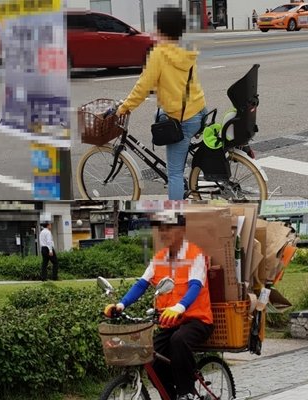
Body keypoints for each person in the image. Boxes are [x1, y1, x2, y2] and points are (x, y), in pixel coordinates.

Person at [104, 212, 213, 400]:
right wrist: (121, 304)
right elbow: (141, 284)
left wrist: (180, 306)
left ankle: (185, 392)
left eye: (169, 228)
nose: (164, 233)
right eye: (161, 229)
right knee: (151, 356)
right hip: (169, 321)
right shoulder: (160, 258)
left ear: (181, 231)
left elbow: (195, 285)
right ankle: (170, 395)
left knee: (178, 341)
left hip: (197, 320)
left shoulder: (195, 255)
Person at [116, 6, 207, 200]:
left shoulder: (159, 54)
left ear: (161, 29)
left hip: (182, 118)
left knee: (173, 173)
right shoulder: (188, 49)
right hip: (199, 110)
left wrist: (124, 107)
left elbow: (142, 87)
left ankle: (177, 217)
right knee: (158, 115)